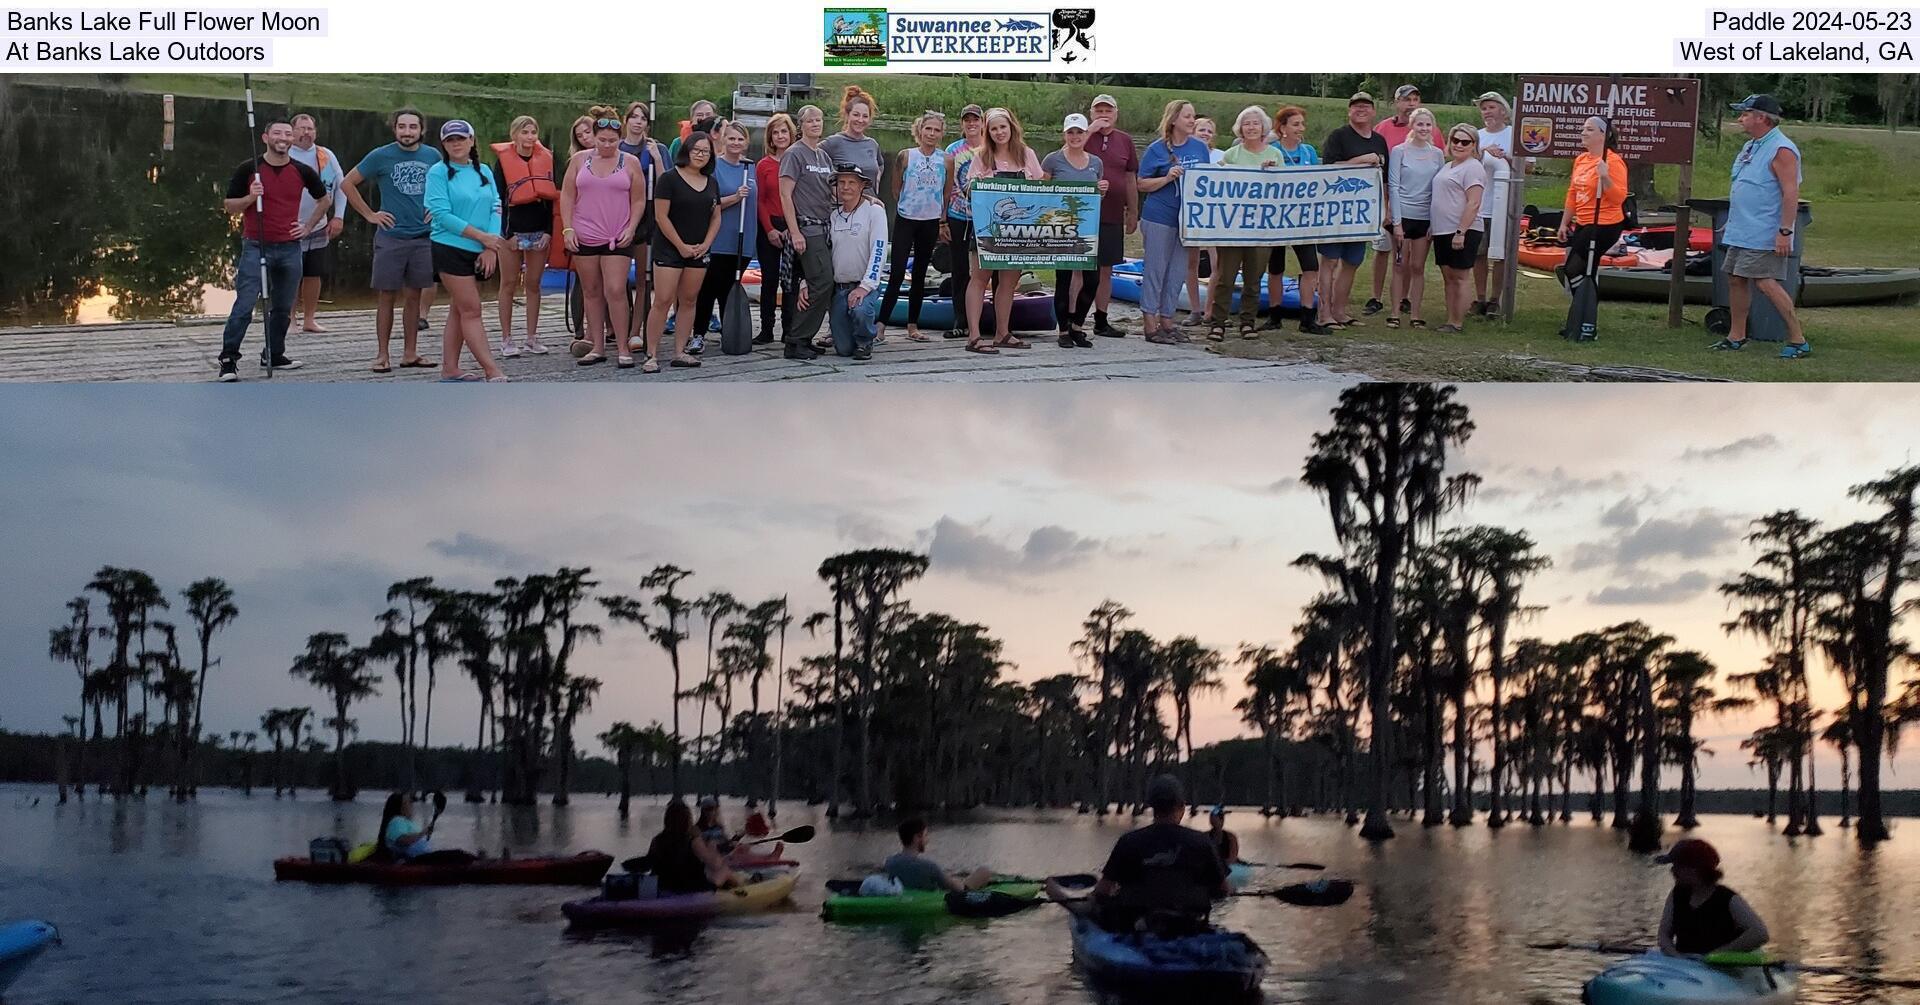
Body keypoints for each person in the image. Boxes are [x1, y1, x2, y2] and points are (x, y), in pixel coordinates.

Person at [215, 116, 329, 382]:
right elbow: (229, 205)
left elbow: (324, 200)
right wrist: (252, 198)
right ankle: (229, 359)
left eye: (288, 134)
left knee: (282, 306)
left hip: (290, 247)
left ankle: (274, 354)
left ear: (292, 139)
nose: (283, 138)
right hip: (257, 245)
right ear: (266, 138)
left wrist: (309, 226)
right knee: (244, 305)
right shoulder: (249, 169)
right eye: (277, 133)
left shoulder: (302, 170)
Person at [1044, 774, 1229, 932]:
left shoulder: (1129, 842)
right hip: (1190, 923)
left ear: (1152, 807)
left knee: (1092, 903)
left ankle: (1057, 891)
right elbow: (1223, 890)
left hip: (1136, 924)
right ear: (1181, 807)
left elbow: (1103, 890)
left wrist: (1097, 896)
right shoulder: (1203, 842)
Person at [342, 107, 440, 372]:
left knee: (414, 297)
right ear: (394, 128)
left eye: (412, 127)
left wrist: (438, 208)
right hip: (391, 237)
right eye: (402, 127)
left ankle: (410, 353)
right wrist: (370, 214)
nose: (407, 132)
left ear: (422, 130)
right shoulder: (380, 155)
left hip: (423, 238)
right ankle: (382, 354)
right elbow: (347, 184)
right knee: (386, 296)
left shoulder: (433, 156)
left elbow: (445, 186)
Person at [1713, 94, 1810, 358]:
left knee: (1766, 283)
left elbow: (1790, 193)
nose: (1740, 119)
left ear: (1762, 118)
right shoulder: (1750, 146)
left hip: (1764, 230)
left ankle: (1797, 339)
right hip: (1741, 228)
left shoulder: (1782, 149)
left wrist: (1785, 230)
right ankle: (1737, 335)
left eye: (1745, 114)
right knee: (1735, 278)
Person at [559, 107, 644, 367]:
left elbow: (639, 199)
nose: (607, 145)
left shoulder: (630, 162)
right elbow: (567, 195)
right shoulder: (579, 160)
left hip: (617, 234)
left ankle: (622, 347)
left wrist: (632, 227)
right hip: (584, 233)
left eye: (612, 141)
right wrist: (568, 228)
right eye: (602, 140)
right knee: (591, 290)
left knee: (616, 290)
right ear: (593, 137)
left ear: (619, 139)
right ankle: (597, 346)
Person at [424, 120, 508, 383]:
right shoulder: (437, 173)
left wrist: (490, 245)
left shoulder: (483, 170)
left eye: (461, 138)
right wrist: (480, 236)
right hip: (450, 247)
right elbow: (441, 214)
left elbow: (496, 206)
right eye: (450, 140)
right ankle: (491, 370)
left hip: (481, 248)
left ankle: (450, 369)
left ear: (472, 141)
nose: (456, 144)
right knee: (472, 309)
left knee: (459, 309)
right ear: (444, 145)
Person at [961, 107, 1044, 354]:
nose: (999, 132)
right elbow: (968, 190)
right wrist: (977, 184)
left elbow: (1041, 188)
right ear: (988, 131)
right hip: (988, 227)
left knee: (1009, 281)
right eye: (994, 128)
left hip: (1017, 230)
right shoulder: (982, 156)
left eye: (1002, 127)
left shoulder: (1027, 154)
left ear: (1011, 127)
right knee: (979, 278)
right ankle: (974, 336)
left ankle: (1002, 333)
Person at [1137, 100, 1212, 346]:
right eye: (1187, 117)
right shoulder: (1157, 150)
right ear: (1173, 120)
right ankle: (1150, 322)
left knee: (1177, 270)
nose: (1192, 121)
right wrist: (1167, 178)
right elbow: (1141, 183)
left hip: (1187, 219)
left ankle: (1168, 320)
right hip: (1159, 216)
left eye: (1192, 116)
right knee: (1156, 269)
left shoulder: (1200, 149)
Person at [646, 130, 721, 373]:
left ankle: (680, 351)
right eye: (697, 150)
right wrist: (680, 246)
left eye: (706, 151)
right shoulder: (669, 179)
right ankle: (652, 354)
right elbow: (661, 216)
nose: (700, 155)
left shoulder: (711, 182)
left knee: (689, 301)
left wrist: (706, 243)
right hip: (669, 249)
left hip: (699, 250)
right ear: (687, 150)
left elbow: (716, 216)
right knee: (663, 300)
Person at [1207, 105, 1283, 341]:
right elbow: (1218, 184)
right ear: (1240, 128)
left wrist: (1270, 174)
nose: (1251, 127)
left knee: (1253, 278)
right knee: (1225, 276)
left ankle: (1247, 322)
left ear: (1263, 127)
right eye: (1247, 123)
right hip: (1233, 226)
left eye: (1255, 123)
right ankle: (1218, 323)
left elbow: (1285, 188)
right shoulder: (1231, 155)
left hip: (1262, 226)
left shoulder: (1275, 155)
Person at [1319, 93, 1391, 329]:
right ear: (1349, 111)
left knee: (1352, 262)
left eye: (1366, 106)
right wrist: (1361, 160)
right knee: (1329, 261)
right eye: (1356, 106)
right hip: (1336, 210)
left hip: (1363, 213)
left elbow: (1385, 181)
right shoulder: (1338, 136)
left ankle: (1340, 311)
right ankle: (1324, 313)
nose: (1361, 110)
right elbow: (1328, 169)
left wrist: (1385, 209)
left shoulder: (1380, 141)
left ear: (1373, 112)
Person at [491, 115, 559, 358]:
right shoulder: (502, 163)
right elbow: (498, 200)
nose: (530, 137)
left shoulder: (546, 160)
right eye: (525, 132)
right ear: (515, 135)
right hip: (511, 233)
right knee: (507, 284)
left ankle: (531, 337)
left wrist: (550, 233)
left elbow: (552, 201)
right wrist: (506, 234)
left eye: (533, 132)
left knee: (533, 284)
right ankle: (506, 339)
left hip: (538, 232)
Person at [878, 111, 949, 342]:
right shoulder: (905, 156)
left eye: (936, 130)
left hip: (929, 222)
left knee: (919, 273)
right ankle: (881, 325)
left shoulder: (946, 159)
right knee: (897, 272)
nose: (931, 133)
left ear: (941, 134)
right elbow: (896, 188)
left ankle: (913, 326)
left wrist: (941, 220)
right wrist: (909, 206)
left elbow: (946, 194)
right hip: (906, 219)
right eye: (928, 129)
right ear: (919, 130)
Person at [1557, 116, 1628, 342]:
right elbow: (1572, 192)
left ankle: (1585, 313)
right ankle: (1583, 316)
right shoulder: (1580, 160)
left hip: (1605, 224)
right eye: (1582, 129)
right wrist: (1564, 221)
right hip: (1584, 221)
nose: (1583, 133)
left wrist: (1605, 176)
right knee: (1585, 269)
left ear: (1602, 135)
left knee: (1573, 268)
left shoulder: (1613, 161)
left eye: (1589, 129)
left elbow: (1618, 197)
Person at [1041, 113, 1106, 347]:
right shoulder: (1052, 160)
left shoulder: (1096, 163)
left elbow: (1097, 196)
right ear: (1064, 134)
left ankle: (1078, 324)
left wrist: (1102, 190)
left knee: (1092, 280)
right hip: (1061, 229)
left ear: (1086, 134)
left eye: (1080, 132)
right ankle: (1063, 331)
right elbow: (1042, 192)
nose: (1075, 136)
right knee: (1064, 279)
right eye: (1071, 132)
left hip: (1088, 230)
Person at [1267, 106, 1332, 335]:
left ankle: (1307, 318)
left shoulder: (1308, 152)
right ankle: (1274, 316)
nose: (1300, 129)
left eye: (1302, 124)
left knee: (1310, 266)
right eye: (1295, 124)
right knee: (1275, 266)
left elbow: (1318, 180)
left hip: (1302, 218)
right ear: (1282, 128)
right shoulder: (1271, 150)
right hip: (1276, 217)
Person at [779, 104, 836, 361]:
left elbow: (832, 192)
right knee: (822, 281)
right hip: (806, 227)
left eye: (819, 119)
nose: (816, 124)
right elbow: (785, 194)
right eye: (811, 120)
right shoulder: (794, 154)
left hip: (825, 226)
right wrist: (794, 232)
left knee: (822, 284)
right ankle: (795, 339)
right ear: (800, 126)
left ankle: (804, 338)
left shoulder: (823, 157)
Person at [691, 120, 756, 344]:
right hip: (719, 238)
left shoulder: (750, 168)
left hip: (744, 240)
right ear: (723, 140)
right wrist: (735, 198)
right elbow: (708, 203)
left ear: (746, 142)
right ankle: (698, 334)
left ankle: (730, 334)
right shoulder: (714, 167)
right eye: (731, 138)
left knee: (728, 290)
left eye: (740, 139)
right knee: (709, 287)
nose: (736, 143)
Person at [1083, 94, 1139, 339]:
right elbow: (1064, 156)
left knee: (1106, 269)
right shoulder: (1081, 136)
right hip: (1083, 213)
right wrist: (1089, 130)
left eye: (1108, 110)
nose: (1103, 114)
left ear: (1116, 113)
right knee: (1078, 268)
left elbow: (1130, 178)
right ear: (1091, 113)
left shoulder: (1125, 141)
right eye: (1099, 110)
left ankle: (1101, 319)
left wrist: (1134, 211)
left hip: (1113, 213)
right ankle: (1072, 318)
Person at [1655, 839, 1770, 956]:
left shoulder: (1727, 898)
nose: (1672, 871)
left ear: (1694, 869)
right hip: (1685, 965)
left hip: (1719, 967)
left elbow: (1760, 933)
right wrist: (1676, 956)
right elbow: (1664, 934)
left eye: (1677, 866)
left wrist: (1718, 955)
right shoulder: (1677, 894)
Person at [618, 101, 670, 356]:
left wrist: (658, 158)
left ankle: (636, 330)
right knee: (614, 282)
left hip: (648, 219)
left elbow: (667, 182)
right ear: (626, 120)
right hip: (618, 218)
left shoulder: (656, 148)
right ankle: (615, 328)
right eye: (634, 117)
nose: (638, 121)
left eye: (643, 118)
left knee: (642, 279)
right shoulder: (614, 148)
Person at [287, 113, 346, 337]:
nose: (306, 133)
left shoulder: (325, 155)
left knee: (314, 273)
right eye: (301, 129)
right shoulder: (285, 155)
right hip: (291, 226)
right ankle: (289, 319)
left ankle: (309, 318)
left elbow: (341, 186)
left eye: (310, 129)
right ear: (292, 132)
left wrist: (338, 216)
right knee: (292, 274)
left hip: (319, 225)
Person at [1386, 108, 1444, 330]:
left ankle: (1416, 314)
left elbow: (1438, 189)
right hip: (1403, 215)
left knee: (1417, 266)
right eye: (1420, 124)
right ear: (1412, 126)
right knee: (1400, 264)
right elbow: (1394, 186)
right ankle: (1394, 312)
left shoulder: (1437, 154)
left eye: (1428, 125)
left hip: (1424, 217)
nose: (1424, 129)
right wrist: (1397, 223)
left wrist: (1433, 221)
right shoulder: (1400, 151)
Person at [1366, 84, 1421, 317]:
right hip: (1384, 196)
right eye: (1406, 99)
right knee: (1383, 249)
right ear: (1396, 102)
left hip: (1412, 200)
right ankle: (1376, 297)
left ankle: (1405, 297)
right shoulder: (1383, 128)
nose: (1411, 104)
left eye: (1415, 100)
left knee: (1406, 253)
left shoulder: (1426, 127)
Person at [826, 162, 889, 360]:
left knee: (861, 311)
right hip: (839, 287)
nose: (846, 187)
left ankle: (865, 341)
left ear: (862, 186)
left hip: (864, 284)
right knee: (843, 350)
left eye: (852, 182)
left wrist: (865, 286)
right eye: (841, 182)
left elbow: (879, 251)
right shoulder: (833, 216)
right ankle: (848, 335)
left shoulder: (874, 212)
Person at [1431, 125, 1488, 333]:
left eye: (1465, 142)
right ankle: (1450, 318)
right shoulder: (1447, 166)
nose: (1459, 145)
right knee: (1448, 277)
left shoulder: (1473, 167)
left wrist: (1461, 232)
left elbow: (1473, 203)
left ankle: (1457, 322)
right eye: (1456, 140)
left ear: (1474, 145)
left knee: (1460, 276)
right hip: (1441, 229)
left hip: (1464, 229)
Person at [1473, 92, 1524, 318]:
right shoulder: (1477, 136)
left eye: (1491, 107)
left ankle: (1496, 299)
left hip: (1505, 206)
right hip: (1479, 204)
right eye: (1483, 108)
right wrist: (1484, 151)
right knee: (1478, 253)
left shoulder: (1514, 135)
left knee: (1500, 253)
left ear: (1503, 110)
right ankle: (1480, 298)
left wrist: (1506, 158)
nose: (1487, 112)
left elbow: (1529, 167)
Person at [943, 104, 988, 339]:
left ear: (982, 122)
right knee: (959, 269)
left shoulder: (990, 148)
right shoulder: (952, 150)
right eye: (967, 120)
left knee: (987, 269)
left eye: (975, 120)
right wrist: (943, 221)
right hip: (958, 215)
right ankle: (960, 319)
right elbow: (947, 186)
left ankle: (987, 318)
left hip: (986, 218)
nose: (971, 124)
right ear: (962, 124)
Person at [754, 113, 797, 346]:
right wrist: (769, 229)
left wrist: (793, 228)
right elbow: (760, 200)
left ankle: (789, 329)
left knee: (790, 281)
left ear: (791, 134)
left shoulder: (798, 161)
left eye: (784, 131)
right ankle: (767, 328)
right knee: (769, 279)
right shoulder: (764, 165)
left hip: (792, 226)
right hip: (769, 225)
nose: (781, 136)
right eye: (776, 132)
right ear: (770, 137)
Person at [647, 798, 740, 893]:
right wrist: (711, 847)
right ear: (687, 820)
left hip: (663, 886)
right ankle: (743, 891)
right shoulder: (693, 840)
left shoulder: (656, 840)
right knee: (724, 871)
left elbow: (649, 864)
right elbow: (715, 865)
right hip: (693, 888)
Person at [1183, 114, 1222, 326]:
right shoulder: (1186, 154)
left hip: (1215, 217)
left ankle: (1210, 309)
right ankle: (1195, 309)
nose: (1205, 134)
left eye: (1209, 130)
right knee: (1192, 262)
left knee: (1218, 263)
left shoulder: (1220, 156)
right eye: (1201, 130)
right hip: (1192, 215)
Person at [885, 818, 994, 893]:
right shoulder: (929, 866)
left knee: (952, 876)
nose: (927, 840)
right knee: (984, 871)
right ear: (917, 838)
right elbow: (959, 889)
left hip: (908, 893)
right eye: (925, 835)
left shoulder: (890, 862)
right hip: (941, 894)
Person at [377, 792, 477, 865]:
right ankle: (477, 862)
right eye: (408, 803)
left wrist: (424, 833)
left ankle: (476, 861)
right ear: (400, 807)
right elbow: (403, 840)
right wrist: (423, 833)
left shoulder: (404, 822)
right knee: (457, 854)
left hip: (423, 857)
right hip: (415, 860)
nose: (412, 805)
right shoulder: (397, 821)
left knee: (455, 855)